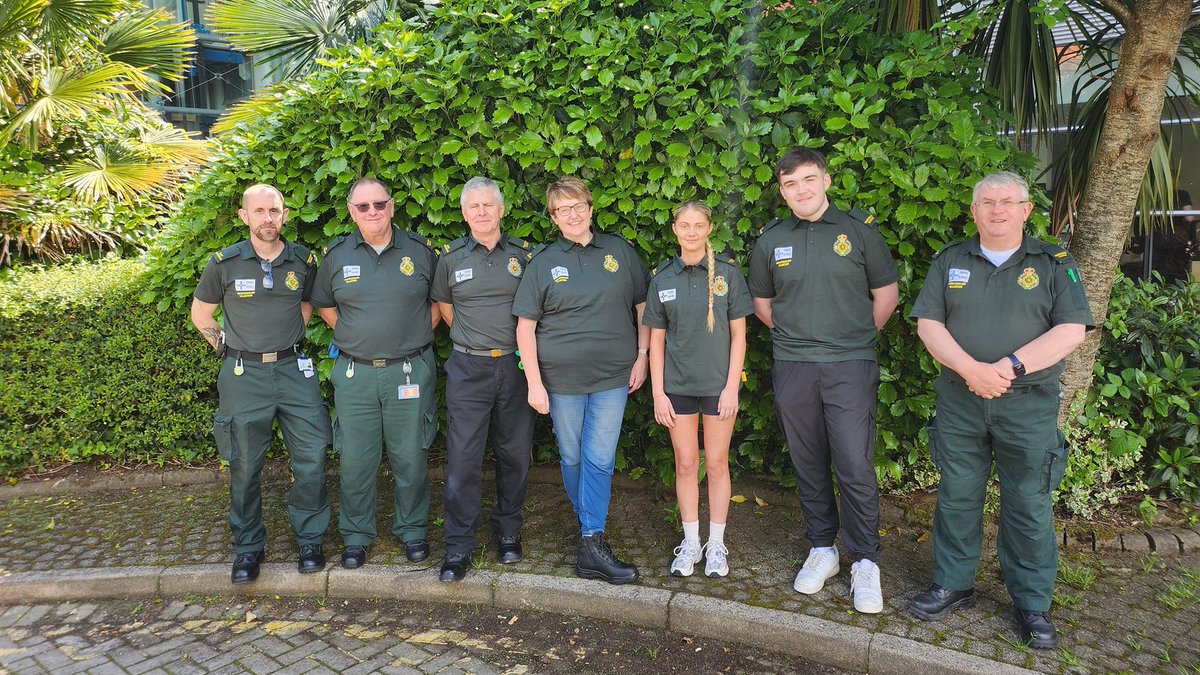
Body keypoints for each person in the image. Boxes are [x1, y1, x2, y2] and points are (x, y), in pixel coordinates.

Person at [907, 171, 1093, 649]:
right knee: (957, 494)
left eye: (1008, 202)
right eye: (987, 202)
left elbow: (1071, 330)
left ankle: (1031, 603)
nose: (997, 210)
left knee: (1029, 504)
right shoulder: (950, 259)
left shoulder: (1053, 262)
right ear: (974, 211)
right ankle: (953, 584)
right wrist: (972, 370)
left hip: (1027, 406)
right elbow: (929, 325)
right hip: (960, 402)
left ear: (1026, 210)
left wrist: (1007, 367)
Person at [748, 147, 899, 614]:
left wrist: (848, 339)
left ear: (826, 181)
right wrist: (802, 339)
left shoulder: (859, 233)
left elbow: (886, 295)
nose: (801, 190)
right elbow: (763, 304)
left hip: (850, 365)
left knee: (854, 464)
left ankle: (866, 561)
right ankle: (822, 549)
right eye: (790, 184)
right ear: (782, 191)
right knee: (808, 461)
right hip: (794, 365)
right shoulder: (771, 240)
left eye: (809, 179)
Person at [190, 183, 331, 585]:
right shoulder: (224, 264)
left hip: (293, 371)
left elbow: (307, 305)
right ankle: (248, 548)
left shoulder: (303, 261)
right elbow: (201, 315)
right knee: (244, 465)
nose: (267, 218)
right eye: (259, 212)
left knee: (311, 458)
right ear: (244, 217)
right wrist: (229, 347)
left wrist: (287, 338)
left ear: (284, 215)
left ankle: (310, 540)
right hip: (242, 376)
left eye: (274, 211)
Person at [512, 176, 650, 585]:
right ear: (553, 218)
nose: (572, 215)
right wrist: (534, 383)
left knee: (600, 457)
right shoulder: (542, 262)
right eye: (562, 209)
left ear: (591, 208)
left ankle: (591, 538)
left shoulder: (620, 252)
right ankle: (591, 538)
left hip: (612, 376)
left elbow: (643, 307)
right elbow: (524, 328)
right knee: (572, 457)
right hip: (560, 381)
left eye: (578, 206)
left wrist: (642, 356)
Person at [310, 177, 439, 569]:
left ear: (392, 206)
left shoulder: (420, 251)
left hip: (409, 371)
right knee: (355, 458)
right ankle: (356, 535)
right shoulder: (335, 255)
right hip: (356, 375)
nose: (372, 212)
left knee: (411, 455)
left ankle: (413, 530)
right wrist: (359, 337)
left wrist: (410, 337)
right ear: (352, 212)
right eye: (362, 206)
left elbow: (440, 304)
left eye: (379, 204)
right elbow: (326, 308)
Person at [431, 177, 534, 582]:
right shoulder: (450, 258)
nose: (481, 212)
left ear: (501, 209)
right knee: (463, 459)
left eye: (488, 205)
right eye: (473, 206)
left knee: (514, 454)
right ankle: (458, 546)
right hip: (468, 368)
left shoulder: (526, 256)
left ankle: (508, 532)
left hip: (516, 367)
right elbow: (445, 305)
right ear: (464, 213)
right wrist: (476, 341)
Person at [644, 201, 754, 579]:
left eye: (698, 225)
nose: (691, 232)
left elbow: (739, 336)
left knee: (718, 462)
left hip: (717, 388)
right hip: (677, 388)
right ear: (674, 229)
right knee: (687, 464)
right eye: (684, 225)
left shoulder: (727, 275)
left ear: (709, 229)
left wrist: (731, 389)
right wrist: (658, 393)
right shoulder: (662, 278)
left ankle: (716, 544)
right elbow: (656, 343)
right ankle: (691, 542)